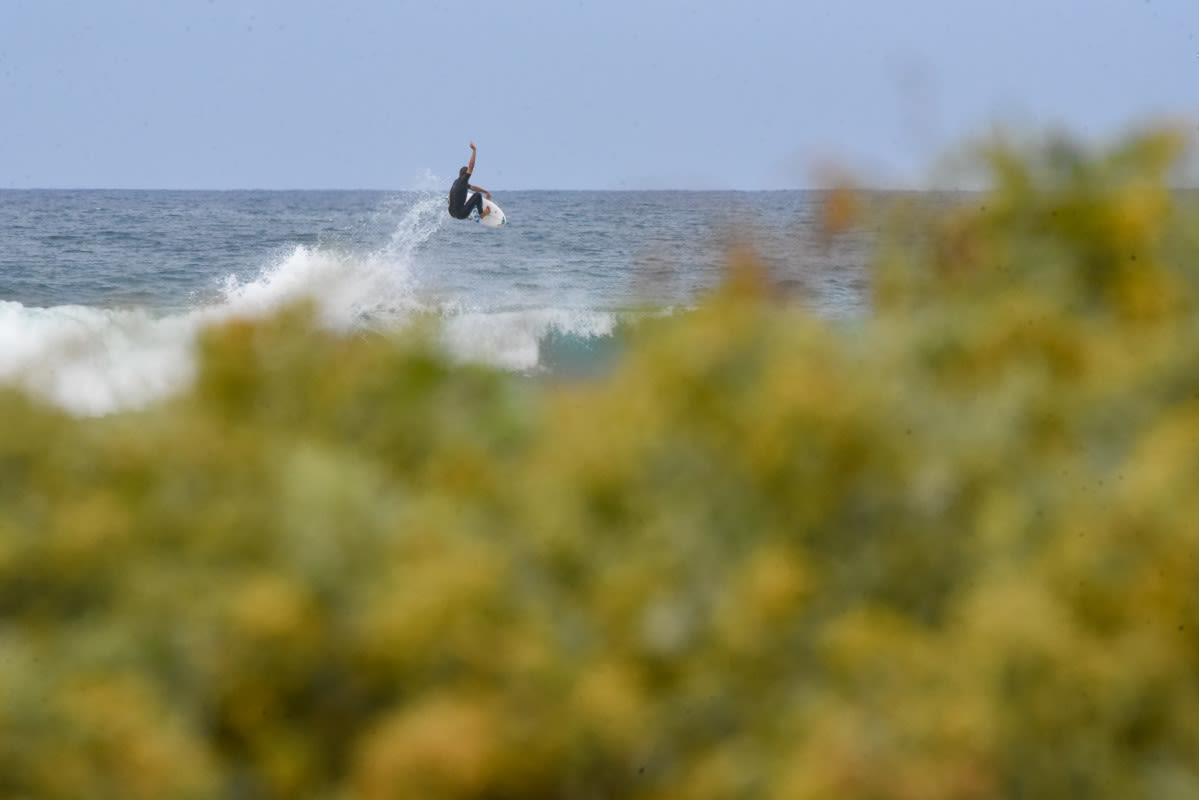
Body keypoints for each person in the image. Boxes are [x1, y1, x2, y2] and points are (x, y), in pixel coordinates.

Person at [447, 141, 492, 220]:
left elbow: (472, 187)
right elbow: (471, 166)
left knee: (458, 197)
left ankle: (468, 212)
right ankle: (482, 214)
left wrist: (485, 191)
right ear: (465, 175)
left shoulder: (457, 182)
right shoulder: (464, 180)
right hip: (461, 214)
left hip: (451, 212)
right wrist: (474, 150)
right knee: (477, 195)